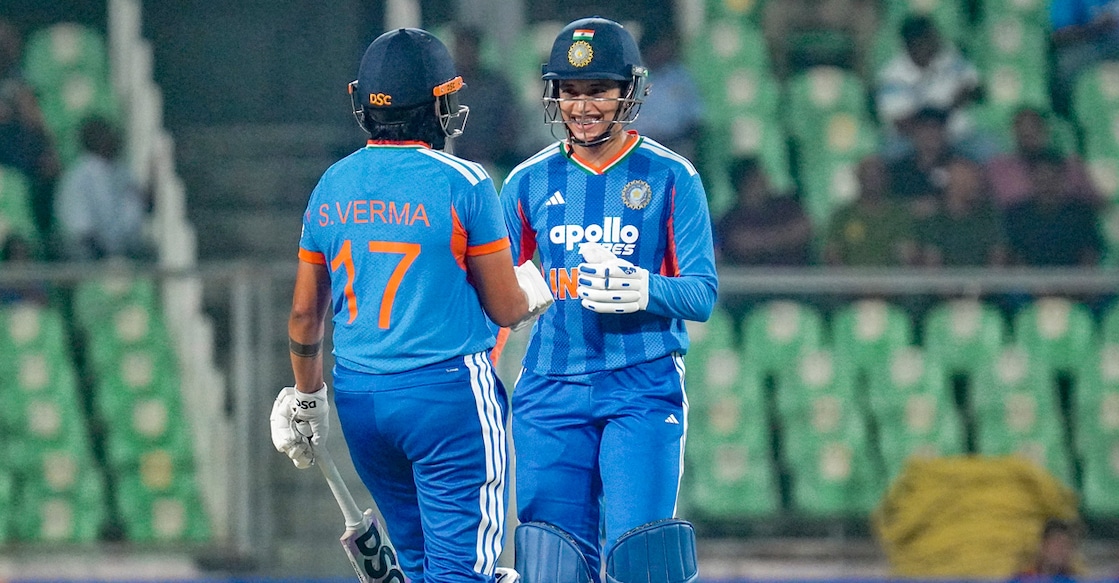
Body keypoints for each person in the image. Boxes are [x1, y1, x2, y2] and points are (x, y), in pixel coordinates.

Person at [267, 28, 553, 583]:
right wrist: (530, 291)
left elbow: (306, 314)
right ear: (438, 106)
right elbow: (504, 308)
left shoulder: (332, 183)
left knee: (417, 568)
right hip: (447, 396)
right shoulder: (464, 179)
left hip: (361, 398)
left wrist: (307, 397)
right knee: (464, 571)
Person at [498, 16, 716, 583]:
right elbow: (496, 294)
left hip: (641, 386)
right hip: (549, 389)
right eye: (570, 91)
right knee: (552, 567)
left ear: (629, 91)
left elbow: (702, 293)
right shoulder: (525, 182)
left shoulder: (673, 177)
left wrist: (646, 288)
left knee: (641, 564)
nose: (582, 105)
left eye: (597, 89)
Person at [715, 156, 813, 340]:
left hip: (795, 292)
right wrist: (782, 238)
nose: (763, 182)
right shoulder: (730, 218)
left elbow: (804, 229)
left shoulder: (786, 206)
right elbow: (741, 243)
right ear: (742, 185)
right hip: (750, 302)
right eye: (755, 179)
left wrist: (763, 240)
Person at [874, 15, 984, 158]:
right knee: (891, 155)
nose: (935, 44)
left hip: (958, 135)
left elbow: (978, 89)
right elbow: (903, 124)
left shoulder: (948, 56)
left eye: (934, 38)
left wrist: (968, 93)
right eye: (927, 41)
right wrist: (949, 107)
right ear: (910, 45)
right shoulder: (892, 77)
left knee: (989, 150)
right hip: (912, 142)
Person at [53, 115, 150, 261]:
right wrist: (107, 257)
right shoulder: (77, 177)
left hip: (125, 250)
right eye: (105, 135)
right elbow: (80, 229)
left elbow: (139, 207)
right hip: (91, 254)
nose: (112, 139)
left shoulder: (123, 172)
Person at [0, 18, 60, 237]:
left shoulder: (19, 80)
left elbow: (35, 121)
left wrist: (49, 150)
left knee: (46, 168)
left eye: (5, 44)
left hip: (15, 155)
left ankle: (40, 235)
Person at [1004, 148, 1104, 267]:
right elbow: (1015, 255)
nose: (1046, 185)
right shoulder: (1017, 214)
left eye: (1051, 178)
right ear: (1031, 179)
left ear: (1061, 178)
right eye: (1040, 179)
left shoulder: (1080, 213)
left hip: (1075, 282)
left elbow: (1090, 254)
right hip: (1029, 282)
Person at [985, 107, 1100, 210]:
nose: (1028, 133)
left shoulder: (1070, 166)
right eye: (1023, 130)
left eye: (1034, 127)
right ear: (1013, 132)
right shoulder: (1000, 170)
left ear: (1046, 130)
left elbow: (1094, 201)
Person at [449, 25, 527, 177]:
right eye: (461, 47)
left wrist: (490, 151)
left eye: (470, 47)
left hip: (496, 158)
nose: (466, 53)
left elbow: (510, 124)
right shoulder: (445, 86)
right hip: (454, 156)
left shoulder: (497, 85)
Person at [824, 154, 919, 267]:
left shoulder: (899, 214)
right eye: (867, 175)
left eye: (877, 175)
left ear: (886, 178)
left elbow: (909, 254)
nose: (872, 180)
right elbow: (833, 255)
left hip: (892, 282)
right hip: (850, 282)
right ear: (858, 177)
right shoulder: (842, 215)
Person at [627, 25, 704, 160]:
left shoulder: (679, 76)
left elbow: (695, 116)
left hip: (676, 146)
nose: (667, 52)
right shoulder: (630, 78)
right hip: (638, 147)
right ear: (649, 48)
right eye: (661, 47)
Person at [916, 157, 1008, 267]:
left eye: (975, 180)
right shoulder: (935, 220)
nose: (974, 186)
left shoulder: (989, 215)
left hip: (983, 281)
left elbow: (997, 257)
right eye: (965, 181)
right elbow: (933, 263)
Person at [1049, 0, 1119, 116]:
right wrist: (1095, 26)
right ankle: (1065, 120)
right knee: (1066, 66)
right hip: (1091, 44)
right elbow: (1060, 35)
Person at [1011, 518, 1083, 582]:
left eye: (1066, 545)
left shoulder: (1076, 579)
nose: (1061, 550)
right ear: (1043, 546)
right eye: (1056, 543)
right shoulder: (1024, 579)